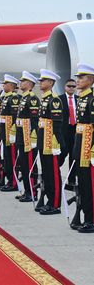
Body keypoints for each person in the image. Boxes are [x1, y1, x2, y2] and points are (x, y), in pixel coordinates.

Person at [36, 69, 64, 215]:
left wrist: (55, 143)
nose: (41, 82)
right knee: (46, 173)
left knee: (53, 173)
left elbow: (57, 124)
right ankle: (48, 200)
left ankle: (55, 204)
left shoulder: (54, 100)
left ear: (51, 83)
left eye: (43, 80)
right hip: (43, 141)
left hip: (51, 143)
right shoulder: (45, 98)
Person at [72, 64, 94, 232]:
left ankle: (90, 219)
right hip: (80, 146)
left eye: (82, 77)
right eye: (78, 77)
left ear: (91, 80)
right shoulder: (81, 98)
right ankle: (85, 215)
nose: (78, 80)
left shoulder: (92, 99)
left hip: (88, 147)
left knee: (89, 184)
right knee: (82, 183)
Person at [15, 71, 40, 202]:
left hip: (28, 138)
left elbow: (35, 120)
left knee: (29, 166)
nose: (21, 83)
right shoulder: (24, 98)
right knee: (23, 166)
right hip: (21, 136)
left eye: (23, 81)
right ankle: (27, 190)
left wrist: (33, 138)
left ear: (30, 84)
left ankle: (32, 191)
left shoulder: (32, 98)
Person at [0, 74, 20, 192]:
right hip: (4, 132)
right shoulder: (6, 98)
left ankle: (13, 182)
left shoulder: (14, 98)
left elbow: (15, 116)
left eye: (6, 83)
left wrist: (12, 133)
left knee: (11, 158)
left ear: (11, 85)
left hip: (10, 134)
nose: (3, 85)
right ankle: (8, 179)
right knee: (6, 158)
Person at [59, 79, 78, 184]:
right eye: (69, 86)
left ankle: (71, 181)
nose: (71, 88)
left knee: (73, 156)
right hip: (64, 131)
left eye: (73, 86)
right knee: (62, 153)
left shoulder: (79, 99)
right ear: (65, 87)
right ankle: (55, 174)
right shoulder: (60, 99)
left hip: (75, 131)